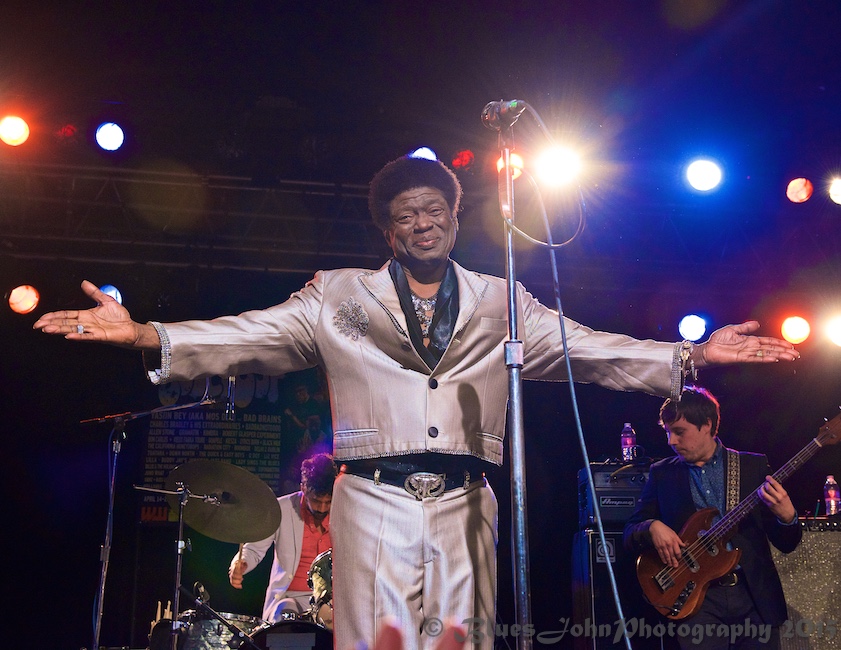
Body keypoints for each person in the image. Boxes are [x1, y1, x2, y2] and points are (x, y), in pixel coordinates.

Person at [33, 156, 799, 650]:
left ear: (456, 218)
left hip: (469, 498)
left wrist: (688, 353)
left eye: (434, 208)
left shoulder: (503, 298)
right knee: (376, 642)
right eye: (405, 214)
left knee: (462, 641)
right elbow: (252, 335)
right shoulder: (338, 296)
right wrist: (145, 334)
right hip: (371, 497)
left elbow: (586, 346)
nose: (422, 221)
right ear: (388, 231)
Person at [624, 386, 801, 649]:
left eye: (679, 432)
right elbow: (629, 533)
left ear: (707, 424)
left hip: (752, 597)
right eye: (668, 432)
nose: (671, 441)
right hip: (697, 601)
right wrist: (652, 526)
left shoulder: (752, 467)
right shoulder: (662, 474)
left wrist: (787, 517)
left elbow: (787, 543)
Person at [229, 453, 337, 623]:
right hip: (289, 597)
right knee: (285, 617)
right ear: (303, 488)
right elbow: (254, 549)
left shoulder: (343, 513)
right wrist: (241, 563)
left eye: (328, 502)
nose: (322, 508)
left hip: (330, 601)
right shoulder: (280, 509)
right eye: (316, 501)